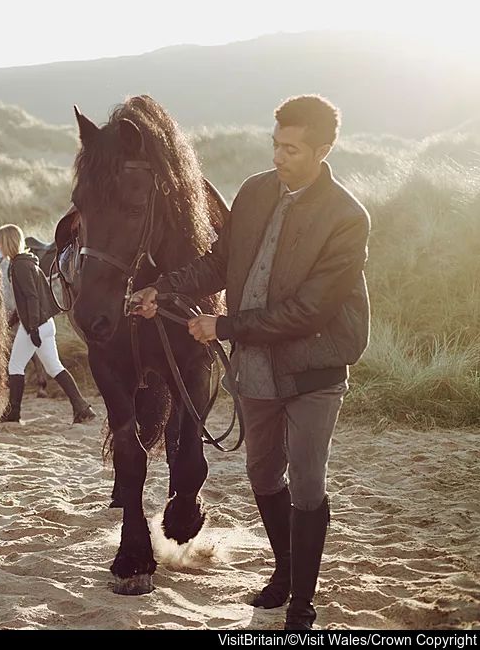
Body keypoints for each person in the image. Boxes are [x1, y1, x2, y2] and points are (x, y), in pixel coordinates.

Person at [129, 95, 370, 630]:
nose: (279, 157)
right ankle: (285, 570)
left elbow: (310, 310)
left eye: (292, 149)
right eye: (275, 144)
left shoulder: (347, 217)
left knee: (307, 483)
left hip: (314, 369)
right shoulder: (255, 191)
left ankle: (301, 601)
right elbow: (219, 262)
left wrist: (224, 327)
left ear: (323, 150)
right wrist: (162, 289)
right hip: (256, 366)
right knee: (262, 474)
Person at [0, 224, 96, 425]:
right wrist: (12, 321)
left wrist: (32, 328)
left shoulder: (19, 266)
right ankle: (82, 408)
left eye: (0, 242)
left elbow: (32, 298)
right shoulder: (28, 262)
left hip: (35, 326)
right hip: (44, 324)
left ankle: (14, 412)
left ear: (7, 243)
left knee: (15, 366)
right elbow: (28, 300)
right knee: (54, 367)